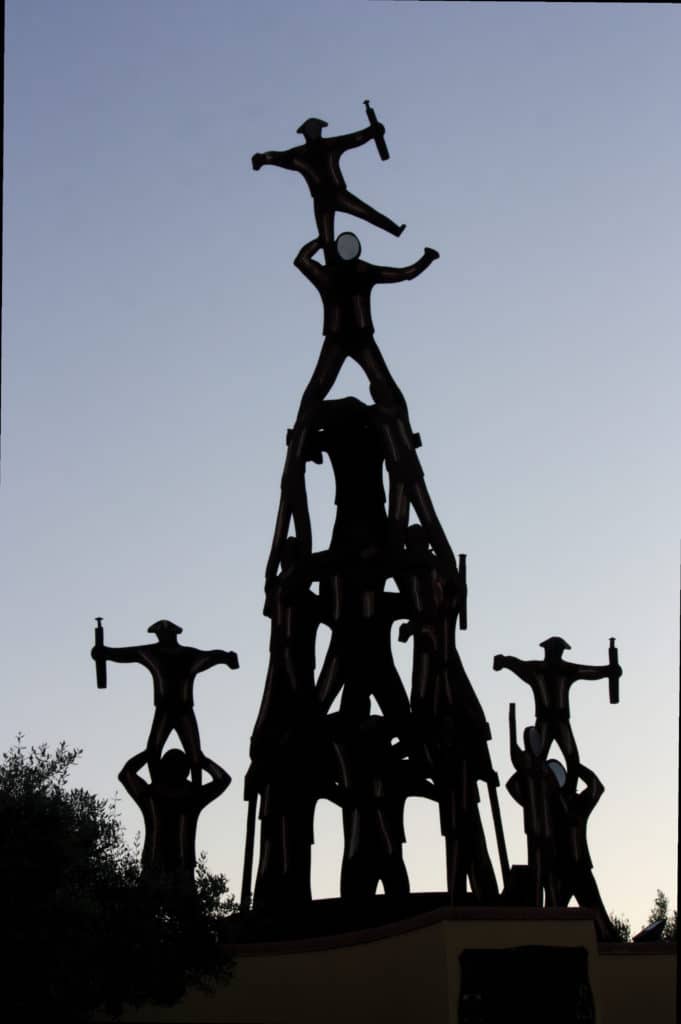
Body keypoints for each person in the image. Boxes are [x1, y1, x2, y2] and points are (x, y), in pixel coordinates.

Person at [293, 233, 439, 426]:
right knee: (317, 390)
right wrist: (323, 239)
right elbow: (405, 274)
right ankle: (300, 440)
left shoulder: (352, 271)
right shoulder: (346, 272)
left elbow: (405, 273)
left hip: (355, 338)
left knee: (319, 390)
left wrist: (323, 240)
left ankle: (300, 438)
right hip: (344, 338)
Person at [92, 620, 239, 785]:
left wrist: (227, 657)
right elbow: (127, 654)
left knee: (191, 753)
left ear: (173, 634)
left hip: (181, 710)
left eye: (164, 634)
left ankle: (194, 787)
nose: (162, 637)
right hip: (167, 710)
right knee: (156, 751)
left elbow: (212, 656)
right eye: (160, 634)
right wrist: (106, 653)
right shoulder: (153, 653)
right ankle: (158, 785)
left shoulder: (185, 655)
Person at [252, 116, 404, 249]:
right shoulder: (301, 153)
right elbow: (277, 156)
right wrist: (263, 158)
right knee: (328, 238)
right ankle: (393, 230)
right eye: (313, 129)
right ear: (307, 132)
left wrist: (371, 132)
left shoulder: (325, 147)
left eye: (316, 128)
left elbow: (354, 138)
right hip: (324, 198)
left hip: (334, 195)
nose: (315, 131)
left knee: (366, 213)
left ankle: (394, 229)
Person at [493, 637, 621, 788]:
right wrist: (503, 661)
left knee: (570, 758)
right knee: (545, 758)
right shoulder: (541, 669)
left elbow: (588, 671)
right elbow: (515, 664)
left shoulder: (562, 670)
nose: (558, 655)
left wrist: (607, 671)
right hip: (547, 720)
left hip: (558, 721)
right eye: (557, 651)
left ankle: (568, 791)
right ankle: (541, 790)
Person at [119, 748, 230, 890]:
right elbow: (223, 780)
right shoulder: (190, 797)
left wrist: (150, 752)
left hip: (169, 868)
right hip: (167, 868)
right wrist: (200, 759)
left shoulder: (153, 795)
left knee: (149, 906)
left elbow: (126, 774)